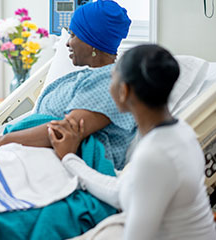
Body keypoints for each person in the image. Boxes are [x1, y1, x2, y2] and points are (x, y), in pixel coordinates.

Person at [49, 44, 216, 240]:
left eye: (111, 79)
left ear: (124, 91)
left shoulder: (155, 155)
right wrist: (69, 158)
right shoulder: (180, 132)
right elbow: (122, 190)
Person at [0, 0, 136, 170]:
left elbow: (65, 130)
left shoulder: (109, 82)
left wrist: (0, 141)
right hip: (33, 154)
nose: (68, 42)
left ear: (92, 43)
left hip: (54, 162)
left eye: (73, 35)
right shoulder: (87, 76)